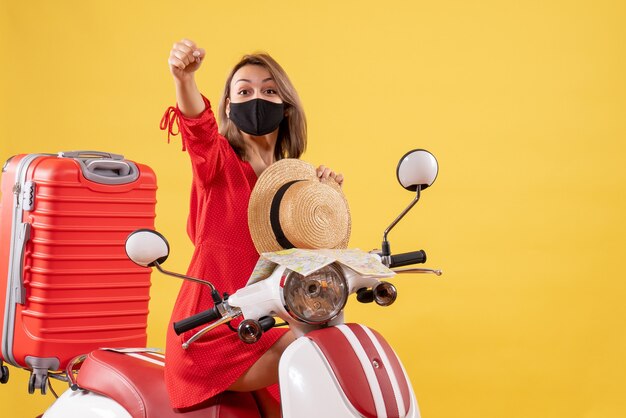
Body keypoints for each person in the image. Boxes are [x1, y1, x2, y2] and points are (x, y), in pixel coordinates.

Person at [160, 39, 344, 418]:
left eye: (269, 90)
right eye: (243, 91)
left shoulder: (294, 184)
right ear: (228, 106)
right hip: (206, 334)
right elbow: (198, 130)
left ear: (285, 105)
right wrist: (184, 79)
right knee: (311, 354)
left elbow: (307, 266)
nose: (256, 98)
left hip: (258, 328)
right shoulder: (219, 164)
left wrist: (328, 205)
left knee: (332, 346)